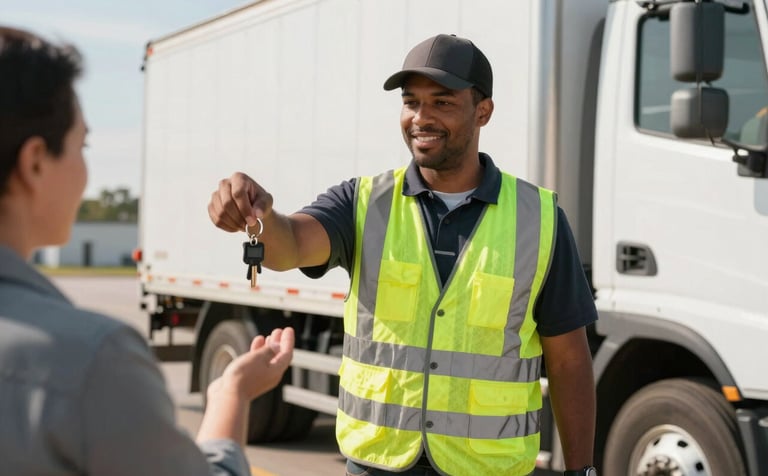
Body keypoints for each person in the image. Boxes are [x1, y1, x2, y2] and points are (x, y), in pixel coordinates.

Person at [209, 34, 597, 476]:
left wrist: (581, 470)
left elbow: (568, 359)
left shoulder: (540, 218)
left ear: (482, 111)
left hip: (488, 469)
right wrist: (259, 214)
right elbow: (290, 245)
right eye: (411, 102)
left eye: (442, 103)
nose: (421, 118)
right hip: (379, 465)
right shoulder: (362, 202)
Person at [0, 26, 295, 476]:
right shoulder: (93, 361)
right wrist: (231, 394)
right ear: (36, 161)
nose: (85, 170)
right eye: (83, 145)